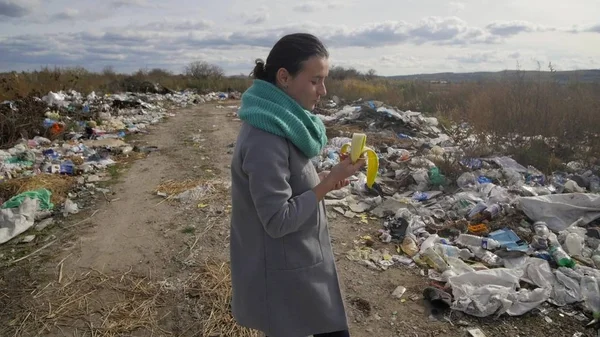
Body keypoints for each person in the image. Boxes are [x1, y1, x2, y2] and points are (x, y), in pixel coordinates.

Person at [229, 33, 365, 337]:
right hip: (283, 276)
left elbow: (291, 185)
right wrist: (326, 182)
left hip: (299, 263)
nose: (323, 91)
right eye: (315, 80)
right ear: (284, 77)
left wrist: (325, 182)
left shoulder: (284, 124)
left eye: (324, 80)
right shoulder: (265, 138)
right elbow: (277, 220)